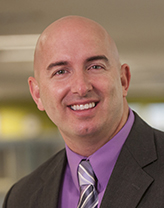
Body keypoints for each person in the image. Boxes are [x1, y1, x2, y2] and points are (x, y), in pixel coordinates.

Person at [3, 16, 164, 208]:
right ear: (37, 94)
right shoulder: (21, 198)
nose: (81, 87)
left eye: (95, 67)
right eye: (61, 72)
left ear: (123, 80)